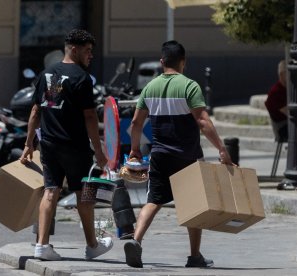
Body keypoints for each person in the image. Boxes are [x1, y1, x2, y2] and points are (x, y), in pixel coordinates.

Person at [123, 40, 234, 268]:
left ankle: (135, 240)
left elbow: (136, 122)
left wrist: (134, 150)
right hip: (187, 156)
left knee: (153, 200)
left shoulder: (149, 87)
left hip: (160, 154)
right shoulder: (189, 86)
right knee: (194, 205)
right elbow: (203, 121)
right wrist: (222, 149)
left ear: (162, 62)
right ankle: (194, 256)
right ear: (183, 62)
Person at [20, 29, 113, 261]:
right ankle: (92, 245)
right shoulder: (81, 78)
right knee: (83, 194)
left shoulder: (47, 74)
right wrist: (99, 151)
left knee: (50, 191)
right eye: (88, 50)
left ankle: (41, 245)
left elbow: (36, 111)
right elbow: (90, 117)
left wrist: (29, 143)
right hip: (75, 146)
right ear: (74, 48)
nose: (90, 55)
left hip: (49, 144)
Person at [264, 60, 297, 140]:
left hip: (291, 124)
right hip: (283, 128)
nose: (292, 75)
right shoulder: (276, 92)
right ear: (282, 75)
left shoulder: (287, 89)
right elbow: (290, 112)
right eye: (289, 73)